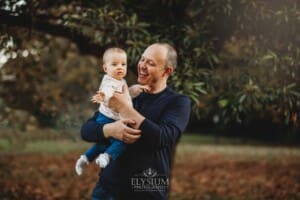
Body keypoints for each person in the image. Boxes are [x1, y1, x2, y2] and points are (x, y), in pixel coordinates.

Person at [81, 43, 191, 200]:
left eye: (151, 63)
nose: (142, 66)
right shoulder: (131, 94)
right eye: (142, 59)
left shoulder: (178, 102)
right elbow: (87, 130)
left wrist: (123, 107)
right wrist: (109, 130)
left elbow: (163, 137)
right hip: (106, 190)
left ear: (167, 71)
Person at [75, 47, 148, 175]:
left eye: (123, 64)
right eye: (114, 64)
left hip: (105, 117)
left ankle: (85, 158)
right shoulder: (111, 81)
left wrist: (133, 90)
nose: (120, 67)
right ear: (105, 68)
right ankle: (106, 157)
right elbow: (109, 90)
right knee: (122, 141)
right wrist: (103, 95)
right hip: (109, 118)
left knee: (101, 144)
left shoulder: (119, 81)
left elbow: (123, 95)